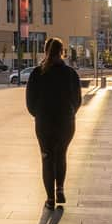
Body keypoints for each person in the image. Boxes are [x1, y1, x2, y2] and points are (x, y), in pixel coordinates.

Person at [26, 37, 82, 210]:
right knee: (61, 155)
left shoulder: (37, 73)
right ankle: (60, 188)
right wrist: (70, 113)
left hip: (45, 124)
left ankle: (50, 199)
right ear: (62, 52)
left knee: (47, 158)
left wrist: (39, 114)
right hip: (66, 122)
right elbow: (78, 100)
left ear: (45, 51)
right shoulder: (71, 74)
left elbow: (30, 101)